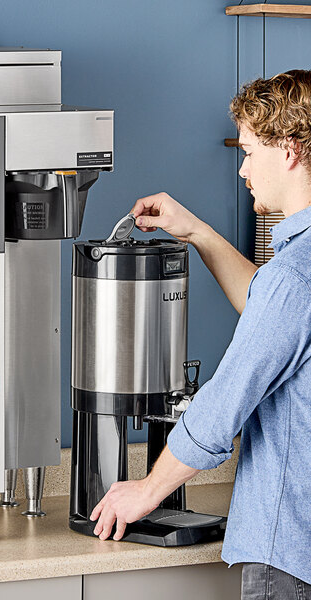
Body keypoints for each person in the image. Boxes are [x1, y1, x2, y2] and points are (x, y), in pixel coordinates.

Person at [89, 69, 311, 598]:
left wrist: (147, 490)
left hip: (290, 555)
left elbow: (220, 409)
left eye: (251, 150)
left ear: (291, 151)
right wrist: (196, 232)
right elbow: (271, 309)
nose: (242, 169)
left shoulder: (292, 279)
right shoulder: (296, 274)